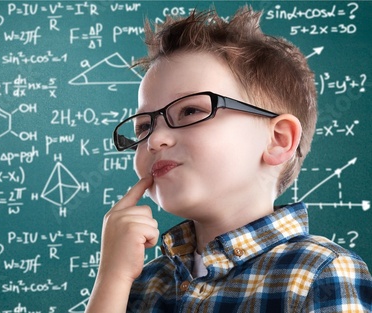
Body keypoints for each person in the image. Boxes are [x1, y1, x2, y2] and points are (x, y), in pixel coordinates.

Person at [85, 6, 372, 313]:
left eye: (191, 111)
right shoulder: (141, 285)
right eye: (144, 126)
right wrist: (111, 278)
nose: (155, 139)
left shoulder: (319, 272)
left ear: (278, 140)